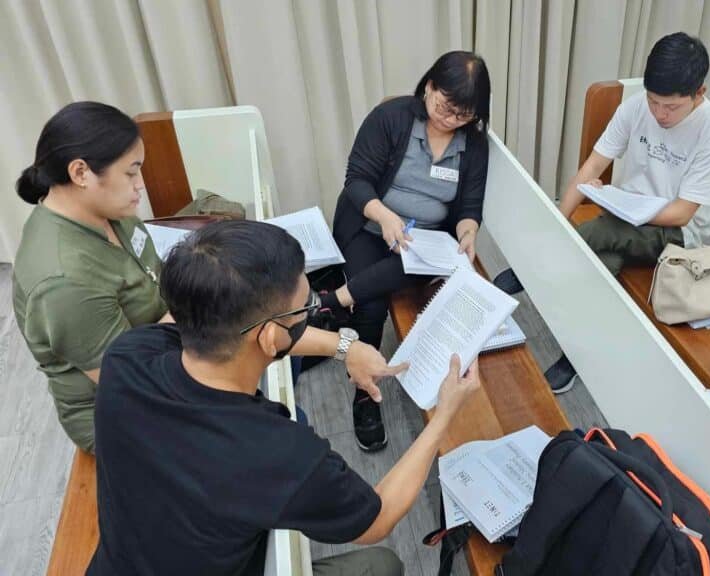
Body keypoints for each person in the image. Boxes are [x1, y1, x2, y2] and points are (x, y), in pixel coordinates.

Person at [87, 220, 481, 575]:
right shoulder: (274, 451)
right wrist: (443, 415)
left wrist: (344, 346)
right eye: (305, 309)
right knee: (382, 564)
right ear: (273, 338)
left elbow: (238, 329)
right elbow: (377, 519)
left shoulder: (128, 358)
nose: (310, 312)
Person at [12, 101, 396, 453]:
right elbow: (131, 383)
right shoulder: (64, 282)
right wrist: (227, 308)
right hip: (131, 411)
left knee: (266, 344)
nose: (140, 186)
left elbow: (215, 316)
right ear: (80, 173)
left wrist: (339, 345)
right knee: (287, 432)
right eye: (131, 173)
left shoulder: (108, 211)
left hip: (178, 344)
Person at [496, 32, 710, 394]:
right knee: (603, 263)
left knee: (603, 232)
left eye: (671, 107)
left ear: (699, 93)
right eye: (654, 102)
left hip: (679, 236)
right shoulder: (636, 107)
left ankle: (530, 268)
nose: (659, 114)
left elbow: (683, 213)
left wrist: (621, 210)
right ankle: (575, 355)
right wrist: (557, 220)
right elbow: (591, 167)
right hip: (626, 215)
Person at [326, 50, 491, 452]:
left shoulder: (474, 145)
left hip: (424, 240)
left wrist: (468, 232)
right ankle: (365, 392)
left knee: (417, 267)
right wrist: (383, 215)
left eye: (462, 115)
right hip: (367, 227)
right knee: (373, 303)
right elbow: (357, 181)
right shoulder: (392, 119)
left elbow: (468, 209)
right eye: (444, 106)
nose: (450, 119)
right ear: (429, 86)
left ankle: (331, 303)